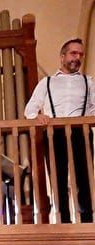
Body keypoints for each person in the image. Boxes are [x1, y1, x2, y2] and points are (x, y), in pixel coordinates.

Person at [24, 38, 95, 223]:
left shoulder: (88, 82)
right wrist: (38, 116)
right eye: (73, 53)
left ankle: (86, 222)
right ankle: (64, 221)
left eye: (80, 54)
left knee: (85, 179)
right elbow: (29, 110)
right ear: (62, 56)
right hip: (54, 134)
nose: (77, 57)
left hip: (81, 133)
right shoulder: (47, 82)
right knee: (58, 179)